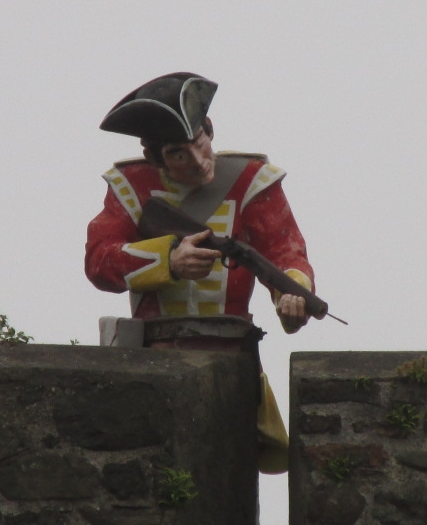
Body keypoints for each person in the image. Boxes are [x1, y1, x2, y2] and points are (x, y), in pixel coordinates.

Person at [85, 72, 316, 475]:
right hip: (156, 351)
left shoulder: (251, 181)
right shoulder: (129, 186)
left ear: (209, 130)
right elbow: (99, 261)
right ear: (155, 157)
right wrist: (167, 261)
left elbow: (286, 253)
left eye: (199, 144)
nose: (197, 161)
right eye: (178, 153)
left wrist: (292, 296)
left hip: (233, 350)